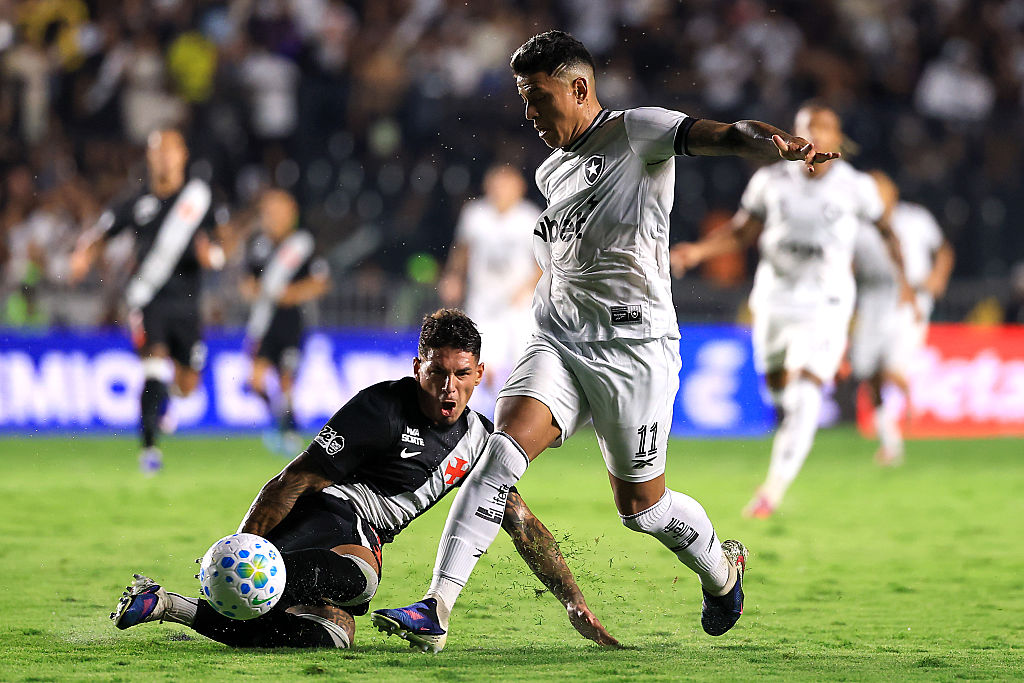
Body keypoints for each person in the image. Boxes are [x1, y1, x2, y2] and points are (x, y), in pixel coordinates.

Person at [373, 30, 842, 652]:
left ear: (579, 88)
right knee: (497, 459)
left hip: (634, 350)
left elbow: (724, 134)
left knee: (642, 509)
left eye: (539, 98)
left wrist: (772, 142)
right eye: (523, 100)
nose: (531, 114)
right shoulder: (552, 169)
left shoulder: (638, 132)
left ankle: (723, 574)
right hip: (558, 340)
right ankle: (437, 608)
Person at [110, 309, 618, 650]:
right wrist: (246, 548)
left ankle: (167, 606)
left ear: (479, 374)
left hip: (363, 538)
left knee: (333, 635)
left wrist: (575, 602)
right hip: (327, 515)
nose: (448, 387)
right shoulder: (380, 407)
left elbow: (522, 524)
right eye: (437, 372)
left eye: (461, 375)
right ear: (417, 367)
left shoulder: (482, 443)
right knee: (353, 580)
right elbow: (295, 480)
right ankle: (237, 589)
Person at [671, 104, 912, 518]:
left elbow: (887, 231)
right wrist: (699, 250)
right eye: (808, 127)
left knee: (804, 395)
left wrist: (903, 282)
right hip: (775, 297)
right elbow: (743, 231)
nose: (817, 133)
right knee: (779, 387)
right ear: (795, 135)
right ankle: (801, 395)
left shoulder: (857, 187)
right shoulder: (770, 181)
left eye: (825, 127)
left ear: (838, 138)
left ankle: (772, 488)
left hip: (828, 302)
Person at [70, 129, 224, 474]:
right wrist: (83, 254)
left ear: (183, 156)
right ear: (150, 157)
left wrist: (212, 255)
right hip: (147, 298)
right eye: (159, 151)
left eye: (172, 150)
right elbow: (101, 233)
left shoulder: (199, 199)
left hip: (188, 303)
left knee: (187, 386)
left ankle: (165, 401)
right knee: (152, 363)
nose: (165, 157)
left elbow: (220, 244)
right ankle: (149, 448)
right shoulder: (136, 200)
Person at [851, 171, 954, 465]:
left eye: (880, 190)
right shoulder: (859, 226)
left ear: (892, 193)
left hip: (911, 298)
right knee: (866, 370)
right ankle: (890, 442)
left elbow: (943, 249)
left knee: (891, 364)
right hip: (872, 298)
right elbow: (848, 263)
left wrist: (938, 277)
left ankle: (906, 391)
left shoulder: (915, 218)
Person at [439, 164, 542, 413]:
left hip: (519, 304)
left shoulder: (530, 216)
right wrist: (454, 276)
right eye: (496, 184)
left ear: (520, 188)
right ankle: (495, 411)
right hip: (483, 301)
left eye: (506, 185)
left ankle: (523, 412)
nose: (500, 190)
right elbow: (462, 249)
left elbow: (543, 261)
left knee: (525, 361)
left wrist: (527, 288)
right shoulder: (475, 214)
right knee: (482, 363)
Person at [241, 188, 330, 453]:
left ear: (291, 214)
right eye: (268, 212)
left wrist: (293, 294)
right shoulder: (258, 244)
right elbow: (248, 281)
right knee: (255, 382)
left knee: (286, 381)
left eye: (277, 212)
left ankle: (290, 430)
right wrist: (251, 290)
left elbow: (320, 281)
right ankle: (278, 419)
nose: (272, 217)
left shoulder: (304, 244)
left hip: (291, 322)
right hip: (262, 321)